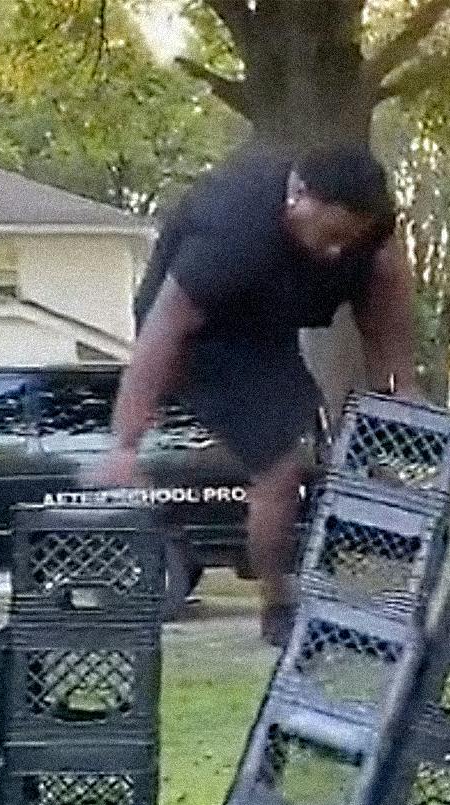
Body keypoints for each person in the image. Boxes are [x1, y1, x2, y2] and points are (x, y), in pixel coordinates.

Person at [86, 143, 419, 645]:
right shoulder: (232, 232)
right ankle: (278, 602)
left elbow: (384, 298)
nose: (335, 253)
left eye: (349, 242)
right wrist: (126, 444)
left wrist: (400, 391)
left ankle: (343, 566)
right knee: (282, 467)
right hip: (204, 340)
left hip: (268, 328)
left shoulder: (365, 237)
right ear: (297, 196)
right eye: (329, 236)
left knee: (321, 448)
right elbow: (163, 331)